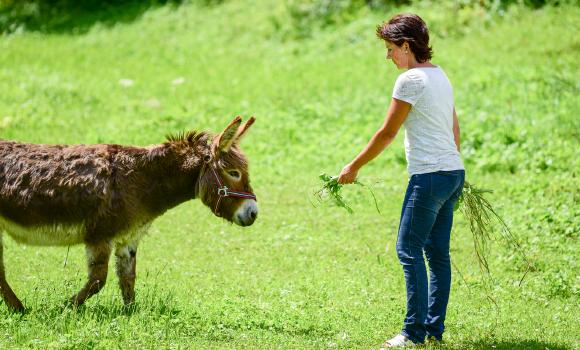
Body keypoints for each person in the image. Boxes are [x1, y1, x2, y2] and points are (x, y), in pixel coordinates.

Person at [337, 13, 465, 348]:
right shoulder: (441, 76)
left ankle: (413, 333)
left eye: (391, 48)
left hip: (430, 176)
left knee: (407, 248)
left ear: (406, 46)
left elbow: (388, 132)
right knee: (436, 252)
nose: (388, 55)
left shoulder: (410, 80)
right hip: (452, 172)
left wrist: (354, 166)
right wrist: (451, 162)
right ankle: (433, 330)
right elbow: (455, 128)